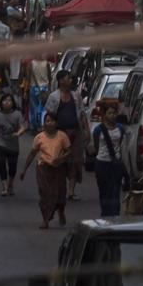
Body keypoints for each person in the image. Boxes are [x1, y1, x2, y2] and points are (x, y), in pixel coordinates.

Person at [45, 69, 91, 200]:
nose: (70, 80)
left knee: (75, 161)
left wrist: (87, 130)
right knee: (59, 161)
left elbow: (82, 114)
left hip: (75, 132)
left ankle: (71, 191)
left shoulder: (76, 96)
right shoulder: (54, 97)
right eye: (67, 78)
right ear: (61, 81)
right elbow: (49, 115)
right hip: (60, 134)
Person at [20, 111, 71, 228]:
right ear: (44, 123)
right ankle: (45, 219)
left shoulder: (62, 136)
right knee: (45, 194)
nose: (50, 123)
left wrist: (61, 158)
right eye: (47, 121)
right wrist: (24, 170)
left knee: (60, 193)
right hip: (43, 168)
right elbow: (32, 154)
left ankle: (60, 211)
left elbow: (69, 151)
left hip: (58, 168)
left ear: (56, 123)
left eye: (52, 121)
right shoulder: (39, 137)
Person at [92, 101, 129, 216]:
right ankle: (105, 214)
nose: (112, 115)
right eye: (109, 113)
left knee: (115, 191)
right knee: (104, 191)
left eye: (114, 113)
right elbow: (96, 145)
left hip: (115, 165)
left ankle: (114, 215)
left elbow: (122, 144)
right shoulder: (98, 130)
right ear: (104, 115)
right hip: (102, 164)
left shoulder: (120, 129)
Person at [0, 92, 28, 196]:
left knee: (13, 167)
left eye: (9, 100)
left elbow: (23, 127)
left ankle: (10, 184)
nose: (7, 102)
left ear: (13, 103)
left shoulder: (17, 114)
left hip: (13, 145)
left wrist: (18, 133)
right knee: (1, 164)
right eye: (4, 100)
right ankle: (5, 187)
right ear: (1, 102)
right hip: (0, 143)